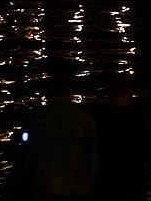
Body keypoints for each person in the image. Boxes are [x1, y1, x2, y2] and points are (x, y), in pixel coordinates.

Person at [20, 72, 97, 200]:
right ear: (70, 92)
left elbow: (28, 154)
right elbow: (92, 157)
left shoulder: (37, 118)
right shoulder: (84, 120)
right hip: (75, 185)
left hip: (45, 183)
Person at [89, 76, 151, 201]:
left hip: (105, 178)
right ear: (128, 94)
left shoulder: (97, 117)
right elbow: (149, 149)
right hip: (132, 178)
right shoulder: (138, 119)